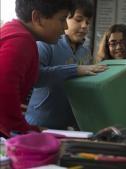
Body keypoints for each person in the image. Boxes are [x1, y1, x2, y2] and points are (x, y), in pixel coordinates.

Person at [25, 0, 107, 130]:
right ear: (64, 20)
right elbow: (36, 77)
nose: (85, 25)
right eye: (78, 19)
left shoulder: (86, 53)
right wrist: (76, 70)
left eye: (88, 21)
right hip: (39, 124)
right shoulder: (45, 45)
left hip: (69, 128)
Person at [0, 0, 73, 138]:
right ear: (37, 18)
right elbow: (3, 91)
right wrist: (25, 130)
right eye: (62, 19)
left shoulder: (13, 31)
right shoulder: (21, 40)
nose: (65, 27)